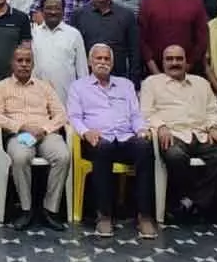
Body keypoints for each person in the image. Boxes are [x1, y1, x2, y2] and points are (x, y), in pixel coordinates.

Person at [67, 44, 156, 239]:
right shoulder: (78, 87)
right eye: (98, 59)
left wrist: (141, 129)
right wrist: (86, 132)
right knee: (103, 148)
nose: (102, 62)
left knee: (145, 147)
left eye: (106, 59)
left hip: (125, 137)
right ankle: (104, 215)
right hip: (97, 139)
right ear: (90, 63)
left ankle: (144, 215)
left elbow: (135, 115)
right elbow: (74, 117)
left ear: (112, 63)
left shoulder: (126, 85)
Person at [141, 45, 217, 222]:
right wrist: (160, 126)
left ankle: (190, 201)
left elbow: (211, 111)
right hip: (172, 134)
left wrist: (213, 127)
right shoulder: (152, 83)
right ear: (163, 62)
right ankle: (194, 201)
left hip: (200, 134)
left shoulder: (201, 83)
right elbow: (146, 112)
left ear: (186, 62)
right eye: (169, 59)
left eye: (179, 59)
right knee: (175, 156)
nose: (174, 63)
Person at [0, 46, 71, 230]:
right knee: (20, 157)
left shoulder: (45, 86)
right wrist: (22, 127)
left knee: (63, 156)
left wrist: (43, 129)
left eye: (28, 61)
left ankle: (50, 210)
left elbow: (61, 115)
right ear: (12, 63)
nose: (24, 65)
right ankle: (26, 209)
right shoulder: (1, 87)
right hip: (19, 134)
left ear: (33, 64)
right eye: (20, 61)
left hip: (46, 133)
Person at [139, 0, 208, 76]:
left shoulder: (196, 4)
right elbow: (142, 40)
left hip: (189, 72)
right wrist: (156, 73)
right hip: (155, 73)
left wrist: (186, 68)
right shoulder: (147, 3)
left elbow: (201, 40)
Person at [72, 0, 141, 88]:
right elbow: (73, 52)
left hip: (119, 81)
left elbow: (134, 52)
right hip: (87, 83)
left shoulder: (127, 15)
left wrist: (135, 85)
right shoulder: (78, 15)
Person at [32, 0, 88, 103]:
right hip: (37, 98)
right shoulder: (33, 34)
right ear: (42, 11)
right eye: (48, 8)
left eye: (57, 8)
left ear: (63, 11)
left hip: (67, 99)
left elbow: (82, 71)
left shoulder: (74, 34)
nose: (53, 12)